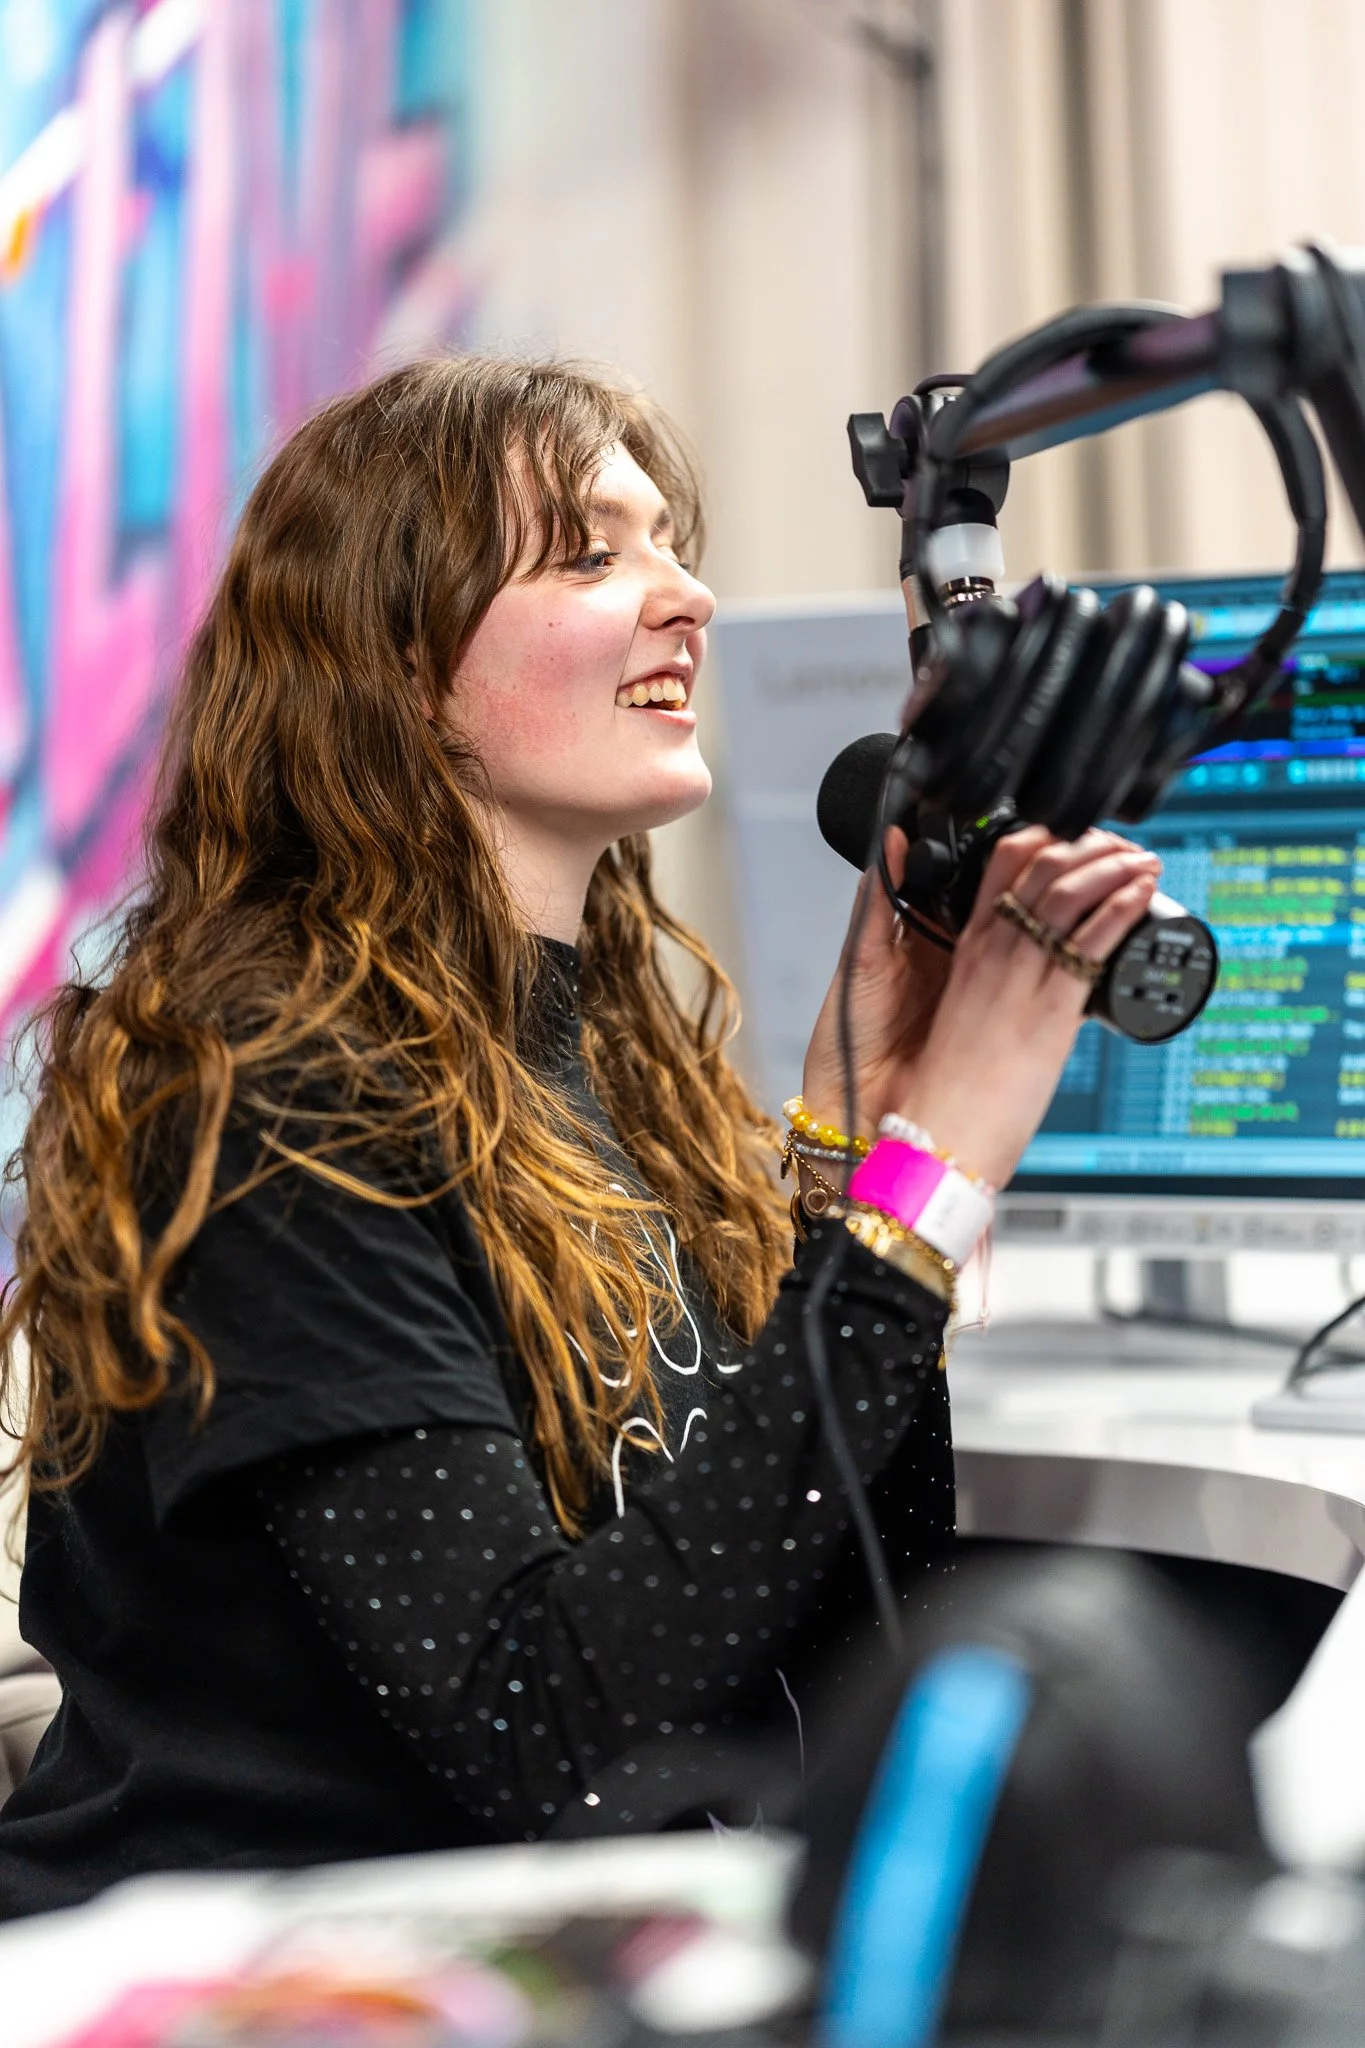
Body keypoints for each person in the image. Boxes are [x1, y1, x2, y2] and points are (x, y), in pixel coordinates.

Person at [0, 357, 1160, 1917]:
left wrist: (861, 1148)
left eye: (670, 542)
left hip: (551, 1922)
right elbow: (535, 1727)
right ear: (394, 659)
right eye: (591, 553)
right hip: (293, 1963)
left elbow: (842, 1622)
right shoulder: (264, 1091)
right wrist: (936, 1169)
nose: (689, 597)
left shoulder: (614, 1068)